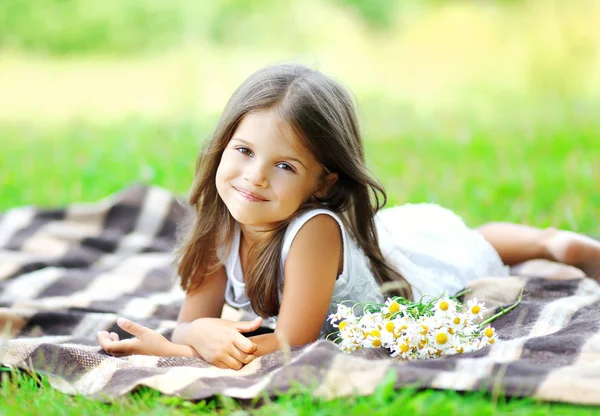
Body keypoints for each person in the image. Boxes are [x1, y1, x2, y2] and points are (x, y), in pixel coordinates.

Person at [97, 63, 600, 370]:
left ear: (322, 183)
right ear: (222, 142)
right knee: (418, 235)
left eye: (285, 165)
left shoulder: (313, 231)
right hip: (377, 244)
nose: (255, 177)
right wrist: (189, 335)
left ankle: (553, 243)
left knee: (468, 247)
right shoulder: (219, 223)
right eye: (244, 150)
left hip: (410, 277)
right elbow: (192, 324)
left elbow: (293, 340)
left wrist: (178, 349)